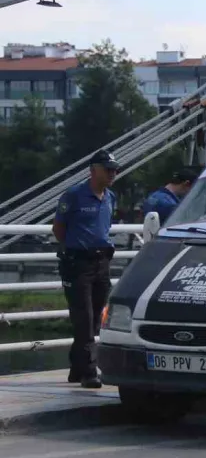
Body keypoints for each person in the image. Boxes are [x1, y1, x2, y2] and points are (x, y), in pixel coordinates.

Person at [52, 150, 119, 389]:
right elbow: (59, 229)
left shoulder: (110, 197)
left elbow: (105, 227)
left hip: (102, 263)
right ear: (93, 170)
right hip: (78, 264)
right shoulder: (73, 196)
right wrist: (75, 249)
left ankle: (76, 367)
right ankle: (90, 371)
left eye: (114, 169)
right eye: (108, 169)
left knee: (95, 319)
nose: (113, 173)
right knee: (83, 317)